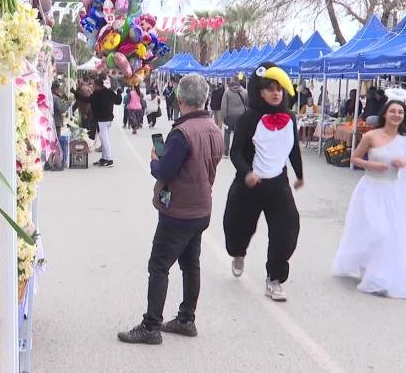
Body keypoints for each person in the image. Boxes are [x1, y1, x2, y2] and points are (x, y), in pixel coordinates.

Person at [117, 74, 225, 345]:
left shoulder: (182, 133)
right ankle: (186, 318)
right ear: (205, 99)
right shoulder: (213, 128)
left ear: (179, 99)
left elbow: (165, 170)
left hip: (178, 210)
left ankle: (151, 325)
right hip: (202, 207)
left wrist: (155, 160)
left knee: (159, 266)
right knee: (191, 265)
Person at [332, 99, 406, 298]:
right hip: (370, 190)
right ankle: (370, 271)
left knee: (388, 233)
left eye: (401, 112)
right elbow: (355, 157)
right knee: (377, 231)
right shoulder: (371, 135)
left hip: (392, 192)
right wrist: (370, 165)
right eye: (393, 111)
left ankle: (378, 274)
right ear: (385, 114)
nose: (397, 115)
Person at [223, 62, 304, 302]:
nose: (276, 93)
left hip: (278, 184)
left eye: (279, 88)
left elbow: (293, 149)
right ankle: (238, 253)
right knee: (238, 227)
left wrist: (299, 174)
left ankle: (275, 279)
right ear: (260, 92)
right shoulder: (249, 118)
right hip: (250, 184)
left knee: (287, 230)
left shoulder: (290, 117)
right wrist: (247, 173)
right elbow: (235, 152)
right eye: (270, 88)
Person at [76, 77, 122, 166]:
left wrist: (76, 94)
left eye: (94, 85)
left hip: (102, 120)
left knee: (104, 140)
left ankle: (109, 159)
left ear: (97, 85)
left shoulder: (97, 94)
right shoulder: (109, 92)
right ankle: (104, 158)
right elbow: (118, 101)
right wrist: (119, 93)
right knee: (104, 138)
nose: (93, 86)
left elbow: (86, 100)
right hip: (108, 119)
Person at [221, 75, 249, 157]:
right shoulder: (244, 91)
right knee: (239, 134)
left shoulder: (227, 92)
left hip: (230, 115)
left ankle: (226, 151)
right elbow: (248, 105)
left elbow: (223, 106)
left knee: (227, 133)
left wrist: (223, 117)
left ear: (232, 81)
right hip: (241, 116)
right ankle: (238, 151)